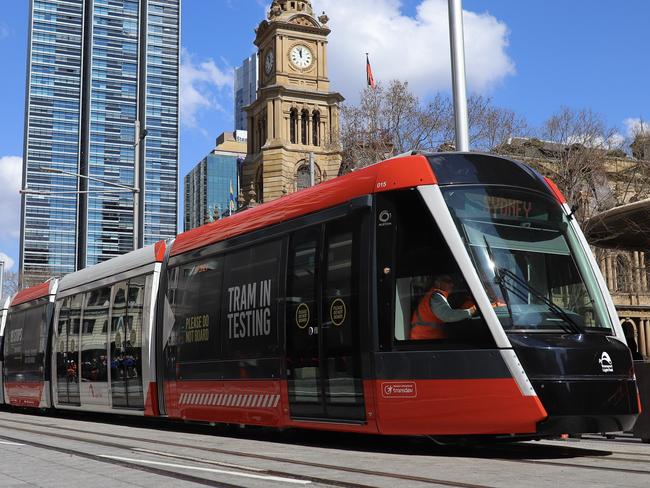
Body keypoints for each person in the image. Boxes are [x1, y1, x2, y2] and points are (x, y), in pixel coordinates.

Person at [410, 274, 477, 340]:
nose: (452, 285)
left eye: (452, 282)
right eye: (448, 281)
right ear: (437, 283)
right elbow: (448, 316)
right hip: (424, 339)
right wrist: (471, 311)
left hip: (427, 338)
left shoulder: (434, 295)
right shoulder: (436, 296)